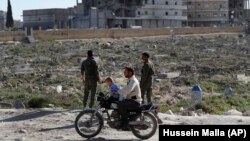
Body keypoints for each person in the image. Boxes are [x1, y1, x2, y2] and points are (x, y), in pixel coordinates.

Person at [117, 67, 142, 131]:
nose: (124, 73)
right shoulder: (130, 80)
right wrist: (119, 90)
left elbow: (128, 90)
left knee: (121, 105)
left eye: (125, 72)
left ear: (130, 73)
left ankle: (125, 124)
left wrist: (118, 91)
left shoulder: (133, 80)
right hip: (131, 100)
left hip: (135, 101)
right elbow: (126, 88)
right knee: (119, 102)